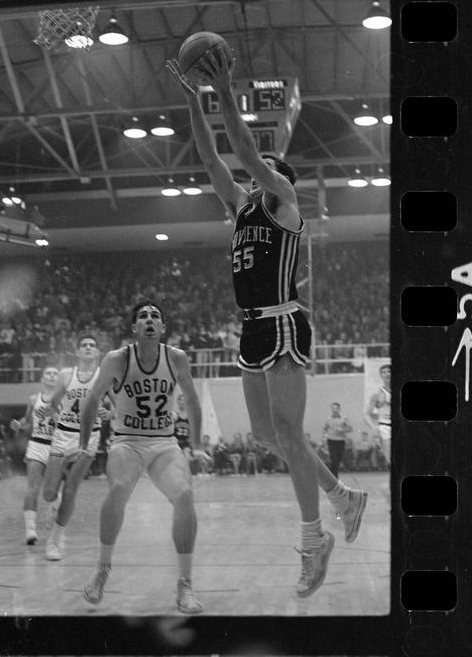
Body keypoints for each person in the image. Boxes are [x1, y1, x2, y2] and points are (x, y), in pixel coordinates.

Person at [168, 50, 367, 599]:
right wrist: (193, 100)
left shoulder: (283, 203)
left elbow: (246, 153)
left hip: (283, 323)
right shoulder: (241, 208)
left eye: (269, 169)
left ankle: (312, 542)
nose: (259, 172)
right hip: (250, 330)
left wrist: (225, 89)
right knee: (264, 434)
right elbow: (212, 159)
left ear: (281, 179)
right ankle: (342, 496)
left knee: (287, 434)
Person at [79, 301, 211, 614]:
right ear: (134, 328)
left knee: (185, 494)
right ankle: (102, 569)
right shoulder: (117, 359)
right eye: (142, 316)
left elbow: (192, 400)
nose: (149, 320)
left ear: (162, 328)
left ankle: (185, 584)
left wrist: (196, 444)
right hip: (128, 440)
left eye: (155, 316)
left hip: (164, 442)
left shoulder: (175, 357)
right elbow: (92, 399)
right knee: (119, 489)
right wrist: (85, 443)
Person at [41, 334, 108, 561]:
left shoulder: (103, 376)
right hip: (63, 434)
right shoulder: (66, 375)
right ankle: (53, 502)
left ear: (97, 352)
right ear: (77, 352)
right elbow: (54, 402)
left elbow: (117, 407)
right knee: (49, 492)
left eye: (92, 345)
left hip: (89, 437)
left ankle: (54, 542)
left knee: (71, 489)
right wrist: (48, 411)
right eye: (84, 345)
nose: (88, 348)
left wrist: (111, 413)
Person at [10, 365, 60, 545]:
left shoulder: (64, 399)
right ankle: (30, 530)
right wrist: (18, 424)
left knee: (50, 492)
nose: (52, 376)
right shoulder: (34, 399)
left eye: (56, 373)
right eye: (49, 373)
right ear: (42, 379)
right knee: (33, 489)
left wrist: (58, 418)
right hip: (37, 444)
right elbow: (28, 421)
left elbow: (69, 424)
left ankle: (55, 506)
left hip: (56, 446)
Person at [364, 363, 391, 467]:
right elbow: (366, 414)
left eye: (389, 371)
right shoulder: (377, 394)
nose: (386, 374)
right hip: (385, 427)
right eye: (383, 372)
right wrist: (373, 426)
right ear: (381, 376)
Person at [322, 402, 353, 479]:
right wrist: (324, 438)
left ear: (339, 409)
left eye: (336, 408)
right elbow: (325, 429)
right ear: (331, 409)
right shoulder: (328, 419)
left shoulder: (344, 418)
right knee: (334, 459)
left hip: (340, 441)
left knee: (338, 461)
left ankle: (331, 476)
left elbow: (350, 429)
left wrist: (342, 430)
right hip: (331, 441)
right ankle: (334, 478)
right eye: (333, 408)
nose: (334, 410)